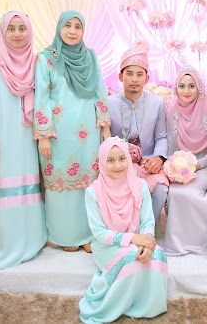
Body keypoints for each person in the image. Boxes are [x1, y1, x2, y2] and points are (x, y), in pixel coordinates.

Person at [34, 10, 111, 252]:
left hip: (87, 132)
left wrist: (105, 126)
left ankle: (87, 235)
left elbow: (99, 91)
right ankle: (63, 236)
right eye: (67, 25)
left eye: (78, 26)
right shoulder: (46, 59)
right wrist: (44, 136)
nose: (72, 31)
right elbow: (41, 97)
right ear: (59, 28)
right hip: (58, 134)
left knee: (87, 184)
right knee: (61, 185)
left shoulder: (90, 56)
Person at [0, 11, 47, 269]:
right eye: (11, 29)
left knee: (25, 187)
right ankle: (1, 245)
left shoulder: (35, 61)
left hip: (26, 137)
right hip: (0, 136)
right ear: (3, 32)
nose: (17, 34)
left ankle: (29, 240)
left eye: (22, 28)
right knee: (0, 186)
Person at [79, 137, 168, 323]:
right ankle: (124, 305)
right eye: (110, 160)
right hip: (107, 246)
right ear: (102, 163)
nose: (118, 165)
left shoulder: (140, 186)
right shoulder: (93, 192)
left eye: (122, 158)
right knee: (132, 257)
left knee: (158, 254)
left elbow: (147, 221)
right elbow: (99, 233)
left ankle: (149, 306)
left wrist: (147, 242)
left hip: (137, 241)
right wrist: (134, 240)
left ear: (128, 158)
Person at [163, 66, 207, 265]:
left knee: (193, 193)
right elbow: (169, 146)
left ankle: (206, 241)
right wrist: (176, 166)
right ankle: (180, 243)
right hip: (183, 165)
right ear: (176, 88)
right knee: (175, 192)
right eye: (182, 86)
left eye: (191, 86)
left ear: (199, 88)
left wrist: (199, 164)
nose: (186, 91)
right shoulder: (171, 111)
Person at [108, 45, 169, 225]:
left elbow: (161, 137)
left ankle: (146, 228)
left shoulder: (157, 103)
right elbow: (105, 138)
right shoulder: (109, 103)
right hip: (119, 163)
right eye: (129, 74)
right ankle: (126, 228)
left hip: (148, 162)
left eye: (139, 74)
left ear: (147, 78)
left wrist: (159, 158)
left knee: (161, 190)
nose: (134, 79)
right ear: (120, 76)